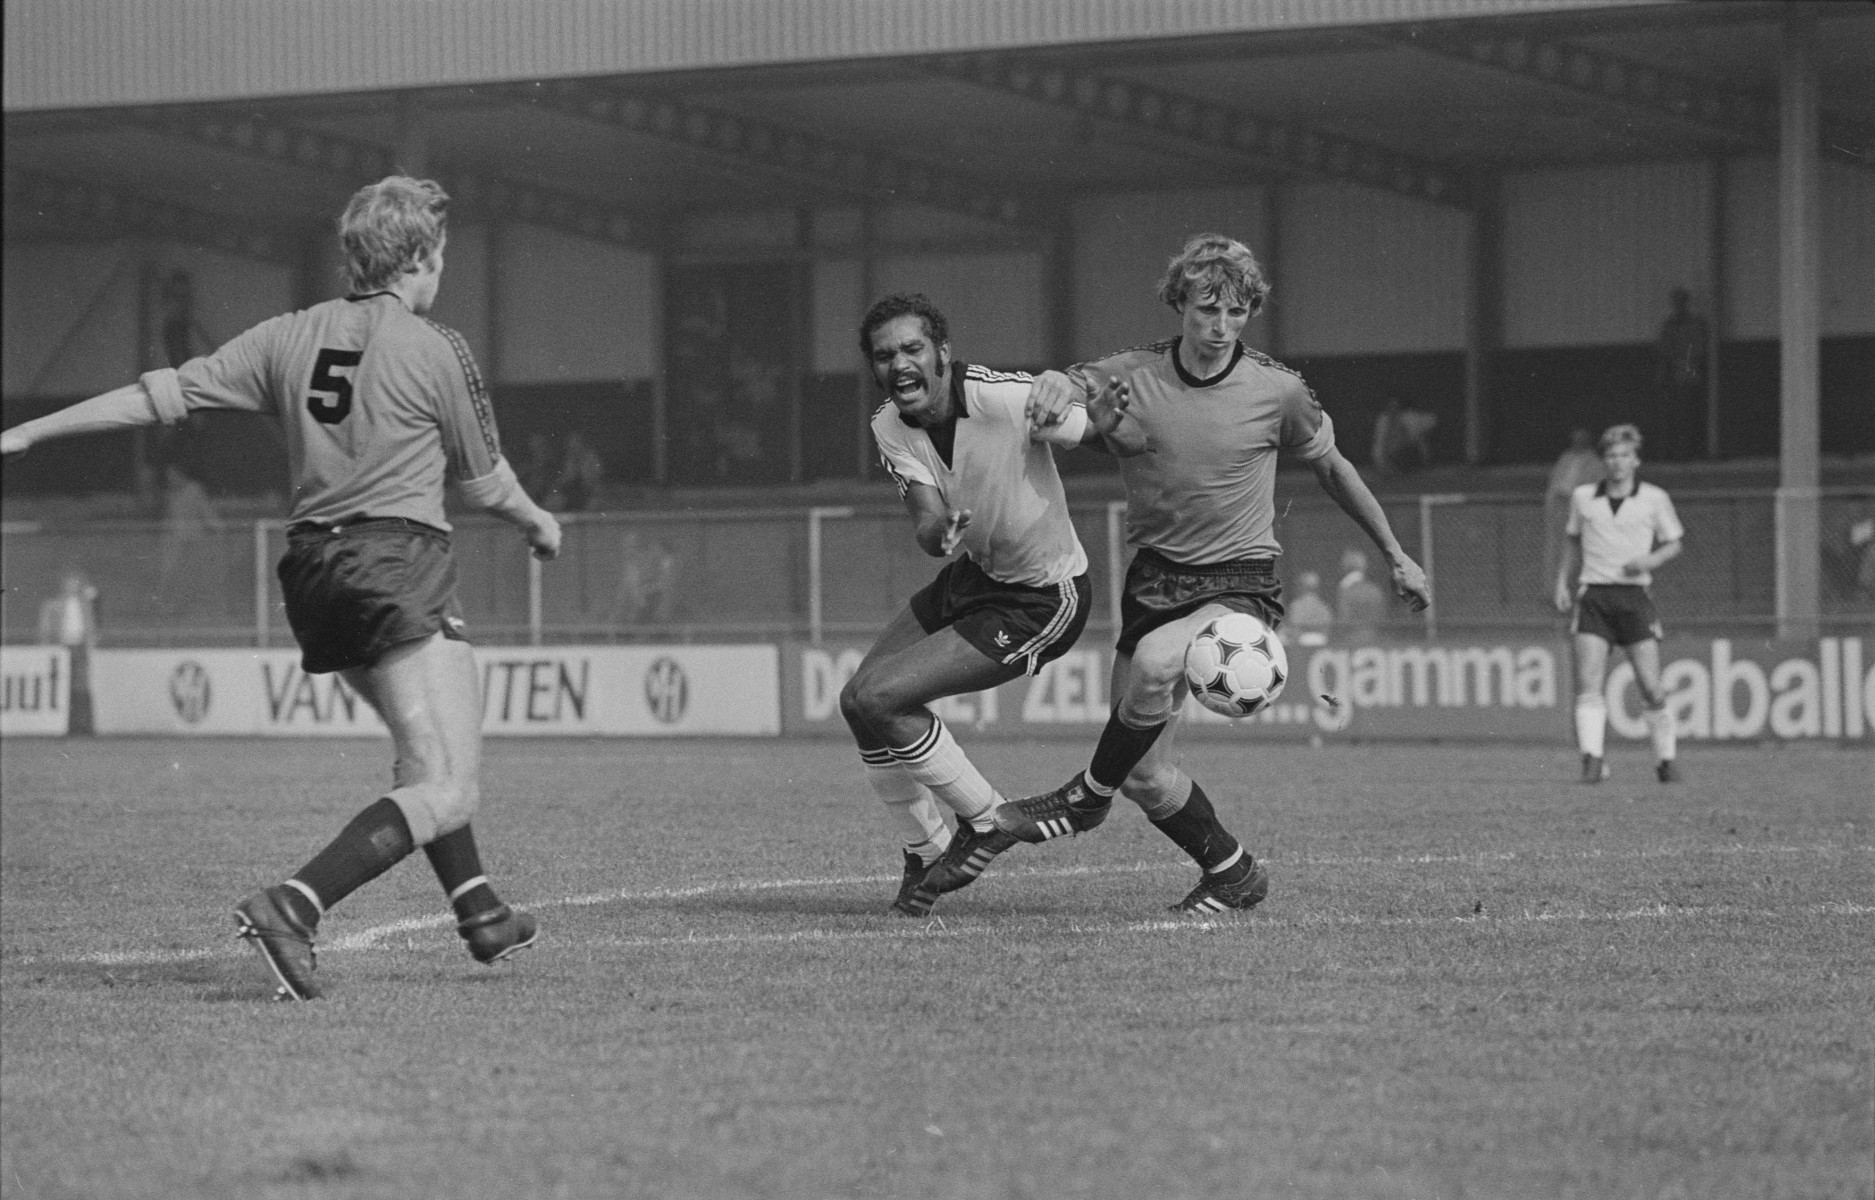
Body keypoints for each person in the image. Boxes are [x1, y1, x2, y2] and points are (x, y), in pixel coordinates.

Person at [0, 176, 562, 1000]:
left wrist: (29, 429)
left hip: (314, 574)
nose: (441, 269)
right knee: (449, 785)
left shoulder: (288, 336)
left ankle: (481, 912)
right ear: (419, 258)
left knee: (423, 756)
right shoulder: (437, 348)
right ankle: (293, 906)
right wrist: (539, 522)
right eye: (440, 255)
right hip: (396, 564)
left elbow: (162, 394)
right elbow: (483, 483)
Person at [1000, 232, 1431, 914]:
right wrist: (1053, 381)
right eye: (1206, 309)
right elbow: (1072, 383)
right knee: (1145, 775)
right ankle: (1233, 873)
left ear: (1251, 312)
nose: (1220, 326)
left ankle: (1083, 799)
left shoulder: (1278, 390)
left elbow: (1334, 469)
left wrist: (1396, 555)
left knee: (1153, 667)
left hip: (1237, 582)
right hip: (1152, 583)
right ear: (1179, 303)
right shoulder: (1134, 373)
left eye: (1235, 312)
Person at [839, 292, 1139, 917]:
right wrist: (941, 531)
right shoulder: (888, 425)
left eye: (912, 348)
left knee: (880, 698)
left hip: (1043, 597)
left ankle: (984, 819)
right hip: (974, 576)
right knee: (857, 702)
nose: (899, 364)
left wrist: (1104, 418)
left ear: (943, 354)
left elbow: (1109, 438)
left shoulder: (1003, 399)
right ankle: (925, 849)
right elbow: (927, 525)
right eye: (885, 355)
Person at [1553, 423, 1683, 785]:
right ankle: (1592, 761)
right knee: (1588, 682)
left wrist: (1650, 560)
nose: (1617, 462)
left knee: (1651, 686)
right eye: (1611, 455)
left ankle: (1666, 760)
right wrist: (1562, 581)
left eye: (1624, 455)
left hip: (1634, 597)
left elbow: (1674, 542)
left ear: (1635, 460)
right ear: (1603, 460)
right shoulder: (1583, 497)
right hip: (1594, 595)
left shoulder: (1654, 498)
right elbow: (1572, 540)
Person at [1654, 287, 1709, 461]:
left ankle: (1686, 452)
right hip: (1674, 375)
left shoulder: (1694, 324)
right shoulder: (1670, 324)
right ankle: (1672, 452)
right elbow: (1664, 350)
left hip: (1686, 374)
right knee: (1673, 417)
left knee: (1687, 416)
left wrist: (1684, 363)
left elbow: (1697, 349)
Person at [1544, 428, 1603, 589]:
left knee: (1576, 550)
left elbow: (1596, 488)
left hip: (1578, 510)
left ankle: (1575, 587)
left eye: (1580, 440)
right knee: (1556, 549)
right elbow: (1555, 481)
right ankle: (1554, 589)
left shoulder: (1595, 463)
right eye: (1575, 440)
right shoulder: (1566, 458)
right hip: (1560, 507)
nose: (1576, 443)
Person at [1334, 547, 1389, 644]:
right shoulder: (1375, 590)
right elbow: (1382, 618)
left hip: (1351, 642)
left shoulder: (1346, 591)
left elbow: (1343, 619)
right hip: (1373, 640)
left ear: (1345, 567)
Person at [1370, 398, 1435, 476]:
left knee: (1420, 442)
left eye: (1396, 407)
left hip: (1404, 452)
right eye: (1391, 407)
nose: (1394, 410)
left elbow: (1415, 438)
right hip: (1388, 455)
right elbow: (1380, 445)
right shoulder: (1383, 421)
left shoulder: (1405, 419)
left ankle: (1411, 467)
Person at [1285, 570, 1333, 647]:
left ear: (1302, 587)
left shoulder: (1296, 605)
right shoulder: (1324, 606)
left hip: (1301, 643)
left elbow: (1294, 628)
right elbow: (1328, 628)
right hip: (1321, 642)